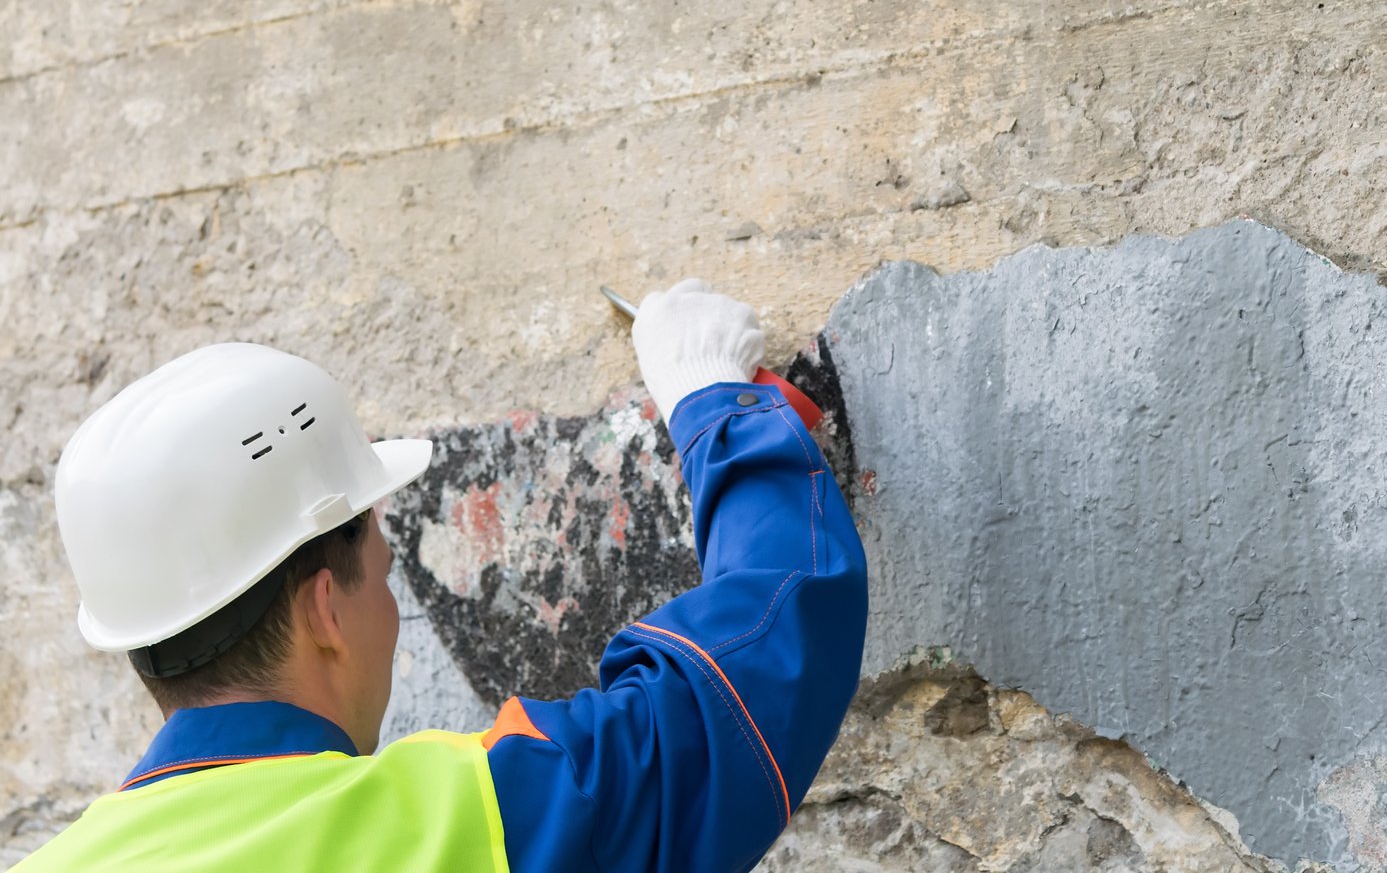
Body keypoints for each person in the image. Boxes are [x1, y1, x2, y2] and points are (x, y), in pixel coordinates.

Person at [19, 279, 868, 872]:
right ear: (324, 609)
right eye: (382, 575)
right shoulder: (464, 822)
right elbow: (742, 685)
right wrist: (716, 403)